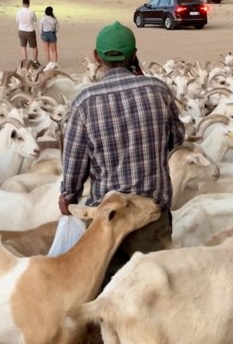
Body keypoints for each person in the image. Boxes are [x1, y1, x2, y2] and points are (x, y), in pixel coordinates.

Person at [59, 22, 184, 274]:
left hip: (108, 219)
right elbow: (176, 139)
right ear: (134, 54)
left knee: (106, 285)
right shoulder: (158, 90)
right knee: (153, 282)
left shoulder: (85, 102)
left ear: (96, 57)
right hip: (150, 215)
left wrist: (68, 196)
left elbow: (74, 165)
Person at [15, 0, 38, 67]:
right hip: (30, 30)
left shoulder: (19, 11)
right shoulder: (31, 12)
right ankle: (35, 61)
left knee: (23, 46)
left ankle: (25, 61)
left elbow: (17, 21)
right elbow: (35, 20)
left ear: (22, 4)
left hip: (21, 30)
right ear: (28, 4)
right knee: (34, 47)